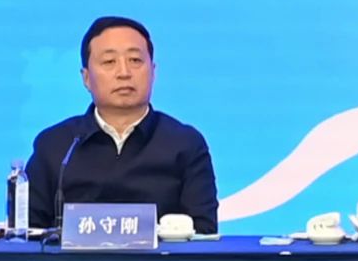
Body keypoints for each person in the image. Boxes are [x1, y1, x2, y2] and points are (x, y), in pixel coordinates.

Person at [26, 15, 220, 231]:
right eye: (109, 62)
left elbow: (204, 233)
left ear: (153, 72)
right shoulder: (56, 145)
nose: (124, 73)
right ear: (86, 78)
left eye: (135, 60)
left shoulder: (185, 143)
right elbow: (29, 233)